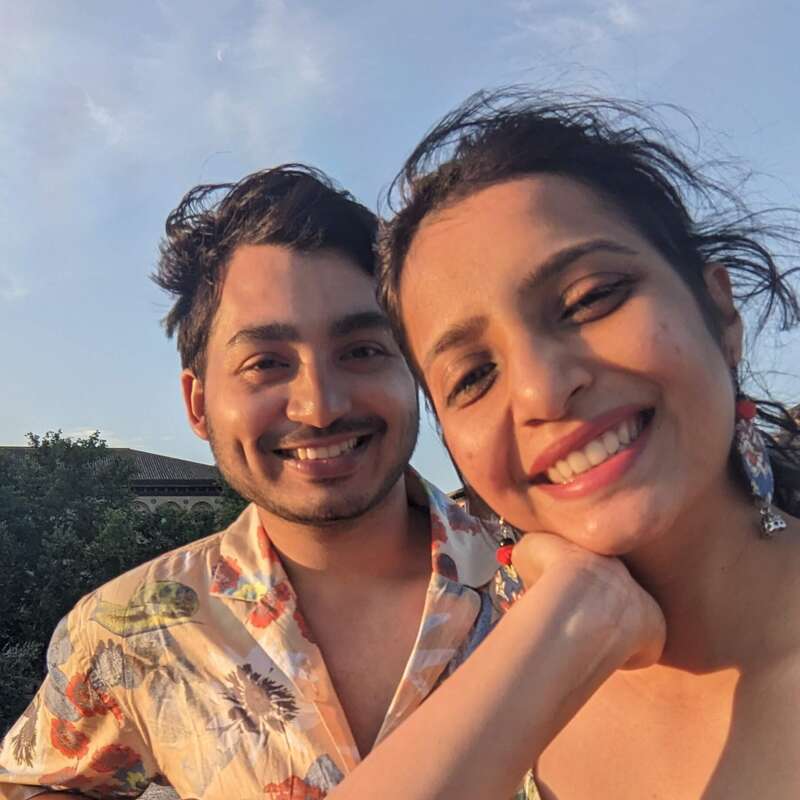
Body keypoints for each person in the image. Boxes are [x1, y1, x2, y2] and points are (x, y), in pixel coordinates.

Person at [0, 164, 662, 800]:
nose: (320, 406)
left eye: (362, 351)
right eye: (266, 363)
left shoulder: (564, 585)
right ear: (198, 405)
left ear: (414, 372)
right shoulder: (132, 629)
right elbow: (35, 783)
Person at [374, 89, 800, 798]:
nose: (542, 391)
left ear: (720, 312)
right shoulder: (493, 708)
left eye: (591, 299)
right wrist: (574, 612)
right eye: (473, 376)